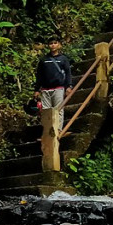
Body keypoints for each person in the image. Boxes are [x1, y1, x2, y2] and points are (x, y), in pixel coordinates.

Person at [33, 36, 73, 172]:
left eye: (55, 43)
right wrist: (36, 89)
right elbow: (39, 75)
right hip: (45, 88)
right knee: (45, 111)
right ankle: (46, 132)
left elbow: (68, 73)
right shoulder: (43, 60)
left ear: (59, 45)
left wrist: (69, 86)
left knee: (58, 109)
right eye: (50, 43)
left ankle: (58, 130)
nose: (53, 45)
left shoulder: (63, 59)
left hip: (58, 88)